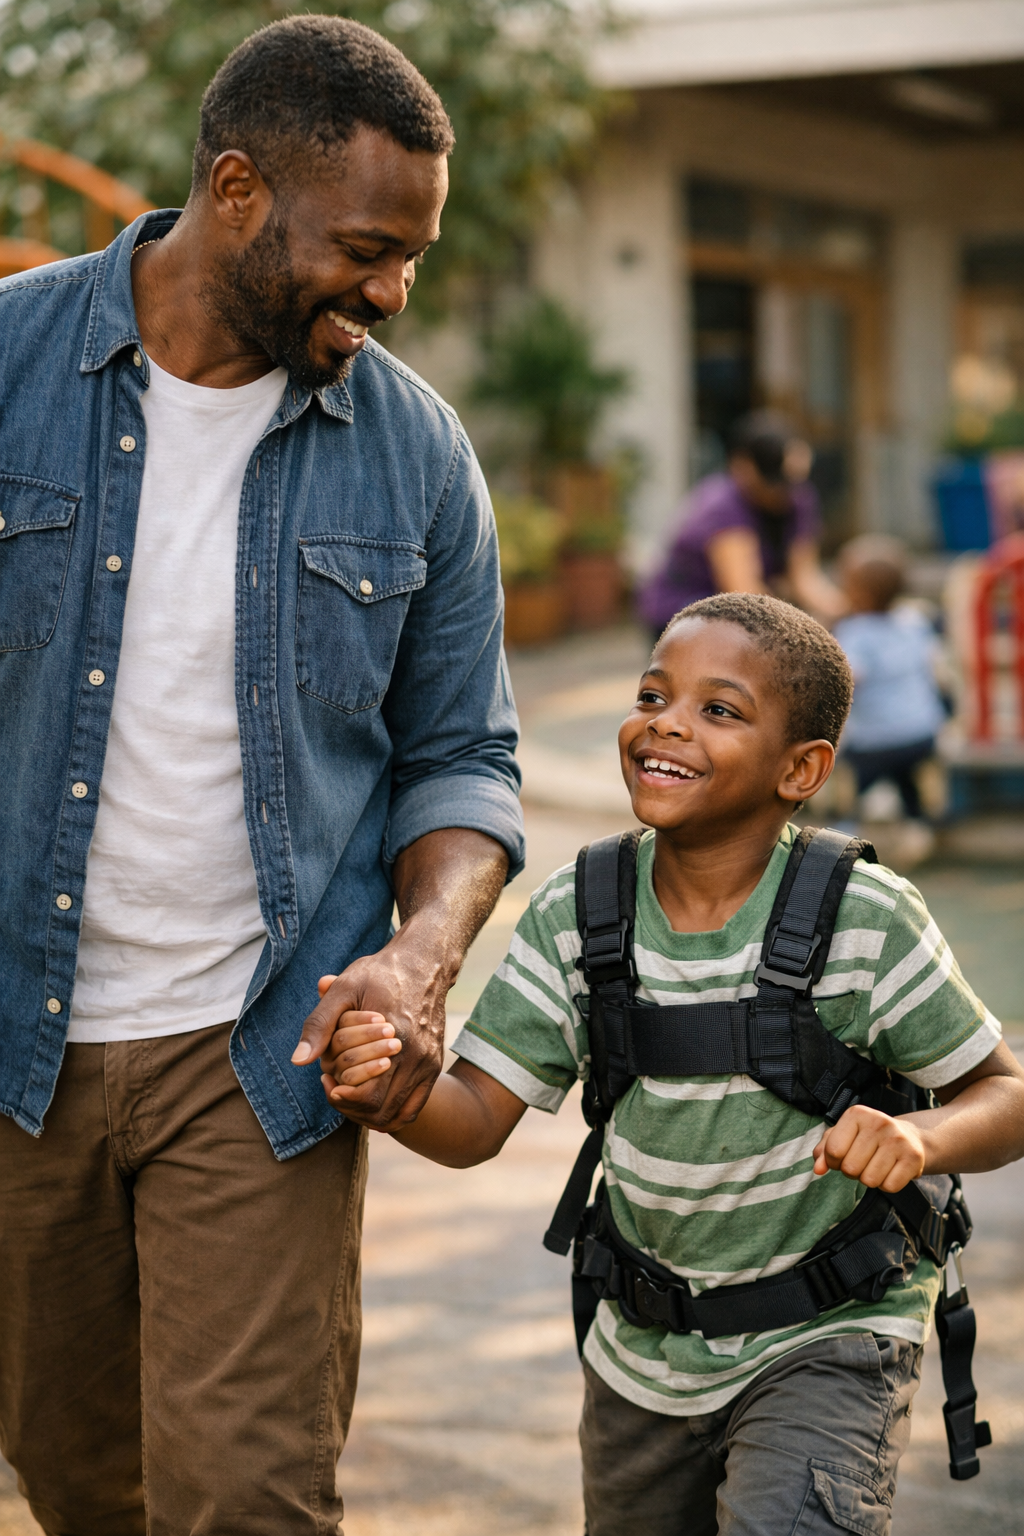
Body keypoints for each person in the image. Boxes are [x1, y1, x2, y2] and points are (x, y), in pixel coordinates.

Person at [0, 17, 524, 1534]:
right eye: (366, 247)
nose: (391, 292)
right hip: (19, 1047)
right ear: (237, 190)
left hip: (256, 1052)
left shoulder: (415, 454)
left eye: (413, 257)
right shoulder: (13, 366)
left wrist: (421, 958)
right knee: (83, 1479)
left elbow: (464, 757)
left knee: (249, 1498)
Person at [326, 593, 1024, 1536]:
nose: (667, 722)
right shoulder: (581, 908)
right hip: (640, 1356)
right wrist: (393, 1090)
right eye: (654, 694)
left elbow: (1004, 1094)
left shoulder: (866, 917)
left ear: (802, 769)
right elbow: (474, 1120)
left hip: (828, 1336)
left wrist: (920, 1134)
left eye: (719, 710)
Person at [637, 411, 846, 639]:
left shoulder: (798, 497)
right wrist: (806, 629)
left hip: (747, 611)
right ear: (741, 466)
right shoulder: (722, 507)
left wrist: (847, 610)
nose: (779, 492)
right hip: (687, 613)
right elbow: (743, 591)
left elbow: (804, 577)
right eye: (772, 481)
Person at [834, 535, 946, 822]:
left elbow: (850, 679)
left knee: (852, 781)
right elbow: (932, 665)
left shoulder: (855, 632)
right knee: (907, 775)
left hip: (875, 740)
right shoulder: (915, 621)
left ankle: (845, 824)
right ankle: (918, 822)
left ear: (858, 594)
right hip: (922, 731)